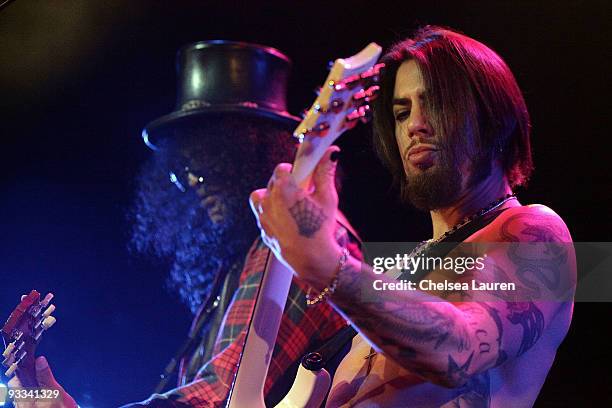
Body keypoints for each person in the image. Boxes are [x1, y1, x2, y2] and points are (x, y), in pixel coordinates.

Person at [9, 27, 576, 408]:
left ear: (494, 113)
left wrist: (329, 264)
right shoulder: (399, 272)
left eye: (437, 102)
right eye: (401, 110)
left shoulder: (537, 232)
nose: (414, 125)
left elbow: (459, 349)